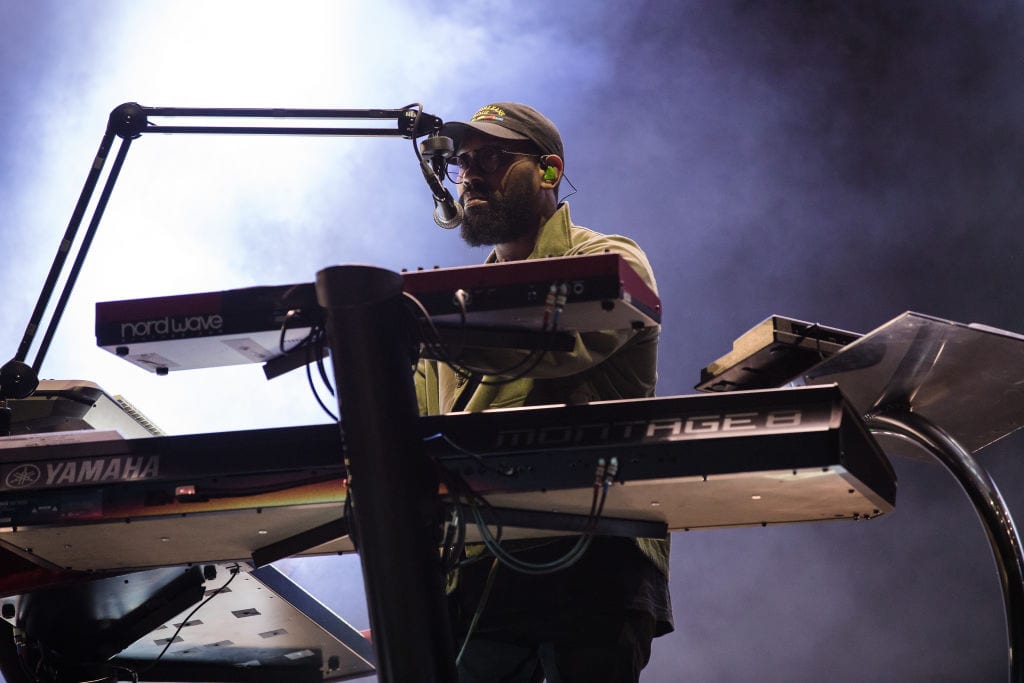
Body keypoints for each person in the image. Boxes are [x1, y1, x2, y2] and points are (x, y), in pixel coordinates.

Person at [415, 102, 672, 683]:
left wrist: (423, 328)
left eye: (495, 158)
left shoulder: (608, 258)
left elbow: (546, 345)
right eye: (463, 162)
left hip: (590, 559)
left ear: (550, 172)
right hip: (473, 574)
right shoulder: (438, 308)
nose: (471, 173)